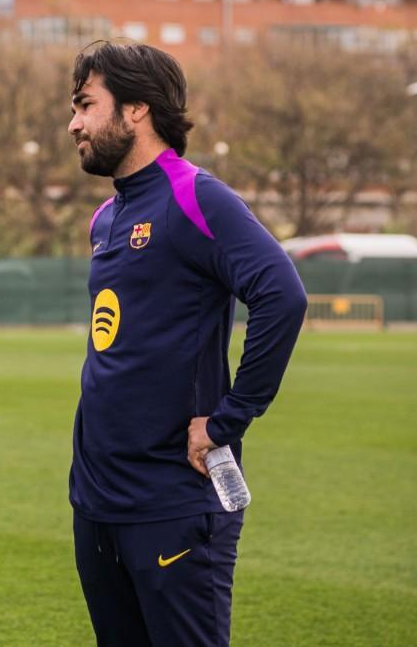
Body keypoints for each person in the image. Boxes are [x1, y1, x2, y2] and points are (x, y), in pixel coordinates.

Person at [66, 41, 308, 647]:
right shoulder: (105, 217)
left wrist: (229, 419)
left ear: (137, 110)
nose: (73, 124)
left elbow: (283, 296)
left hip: (172, 499)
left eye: (86, 105)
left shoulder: (196, 197)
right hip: (97, 501)